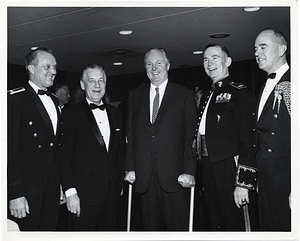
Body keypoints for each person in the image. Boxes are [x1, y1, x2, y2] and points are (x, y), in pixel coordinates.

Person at [124, 48, 197, 231]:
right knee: (150, 231)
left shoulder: (184, 95)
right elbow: (131, 135)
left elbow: (190, 137)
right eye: (149, 64)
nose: (154, 68)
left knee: (177, 231)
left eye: (159, 63)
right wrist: (130, 167)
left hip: (174, 177)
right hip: (144, 177)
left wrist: (190, 170)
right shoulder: (135, 96)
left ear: (168, 66)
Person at [195, 44, 258, 231]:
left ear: (228, 61)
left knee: (236, 222)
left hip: (230, 166)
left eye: (215, 57)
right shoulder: (207, 96)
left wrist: (243, 183)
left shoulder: (239, 92)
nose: (209, 63)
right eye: (205, 59)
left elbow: (249, 141)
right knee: (216, 222)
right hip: (207, 166)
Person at [59, 63, 125, 231]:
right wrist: (70, 192)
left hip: (112, 193)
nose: (97, 85)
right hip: (82, 196)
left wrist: (119, 184)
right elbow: (64, 155)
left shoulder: (116, 113)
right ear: (83, 85)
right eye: (92, 80)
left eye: (101, 80)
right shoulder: (71, 114)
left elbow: (119, 153)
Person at [7, 47, 61, 230]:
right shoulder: (14, 99)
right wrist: (15, 193)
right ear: (31, 69)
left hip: (51, 184)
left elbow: (56, 148)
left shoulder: (54, 101)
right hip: (27, 186)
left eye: (54, 67)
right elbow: (9, 150)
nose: (53, 71)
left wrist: (59, 183)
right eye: (47, 66)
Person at [254, 28, 291, 231]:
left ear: (281, 49)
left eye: (263, 47)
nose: (257, 52)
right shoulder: (263, 87)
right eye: (255, 49)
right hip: (266, 177)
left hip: (286, 178)